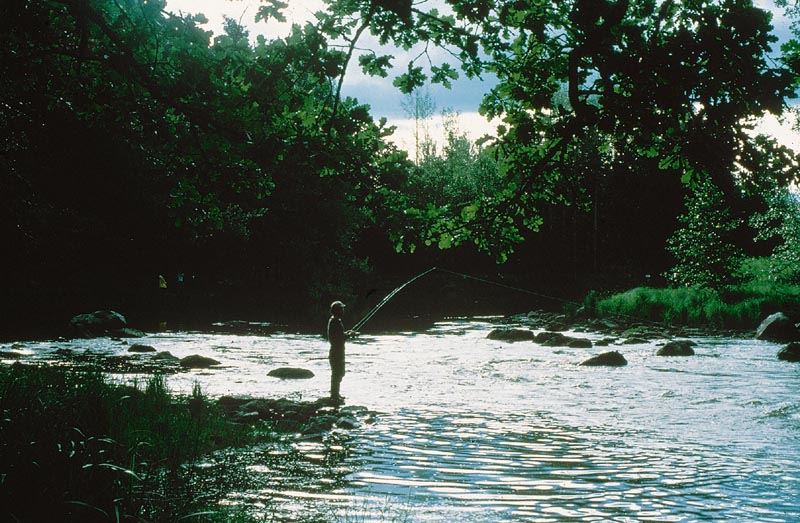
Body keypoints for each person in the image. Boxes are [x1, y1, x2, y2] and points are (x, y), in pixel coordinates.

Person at [327, 300, 350, 403]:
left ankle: (335, 394)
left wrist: (347, 334)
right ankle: (334, 395)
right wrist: (349, 335)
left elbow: (339, 336)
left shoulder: (335, 321)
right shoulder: (335, 322)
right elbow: (339, 338)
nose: (343, 310)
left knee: (339, 373)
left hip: (338, 351)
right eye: (342, 309)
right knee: (337, 373)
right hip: (337, 352)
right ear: (338, 311)